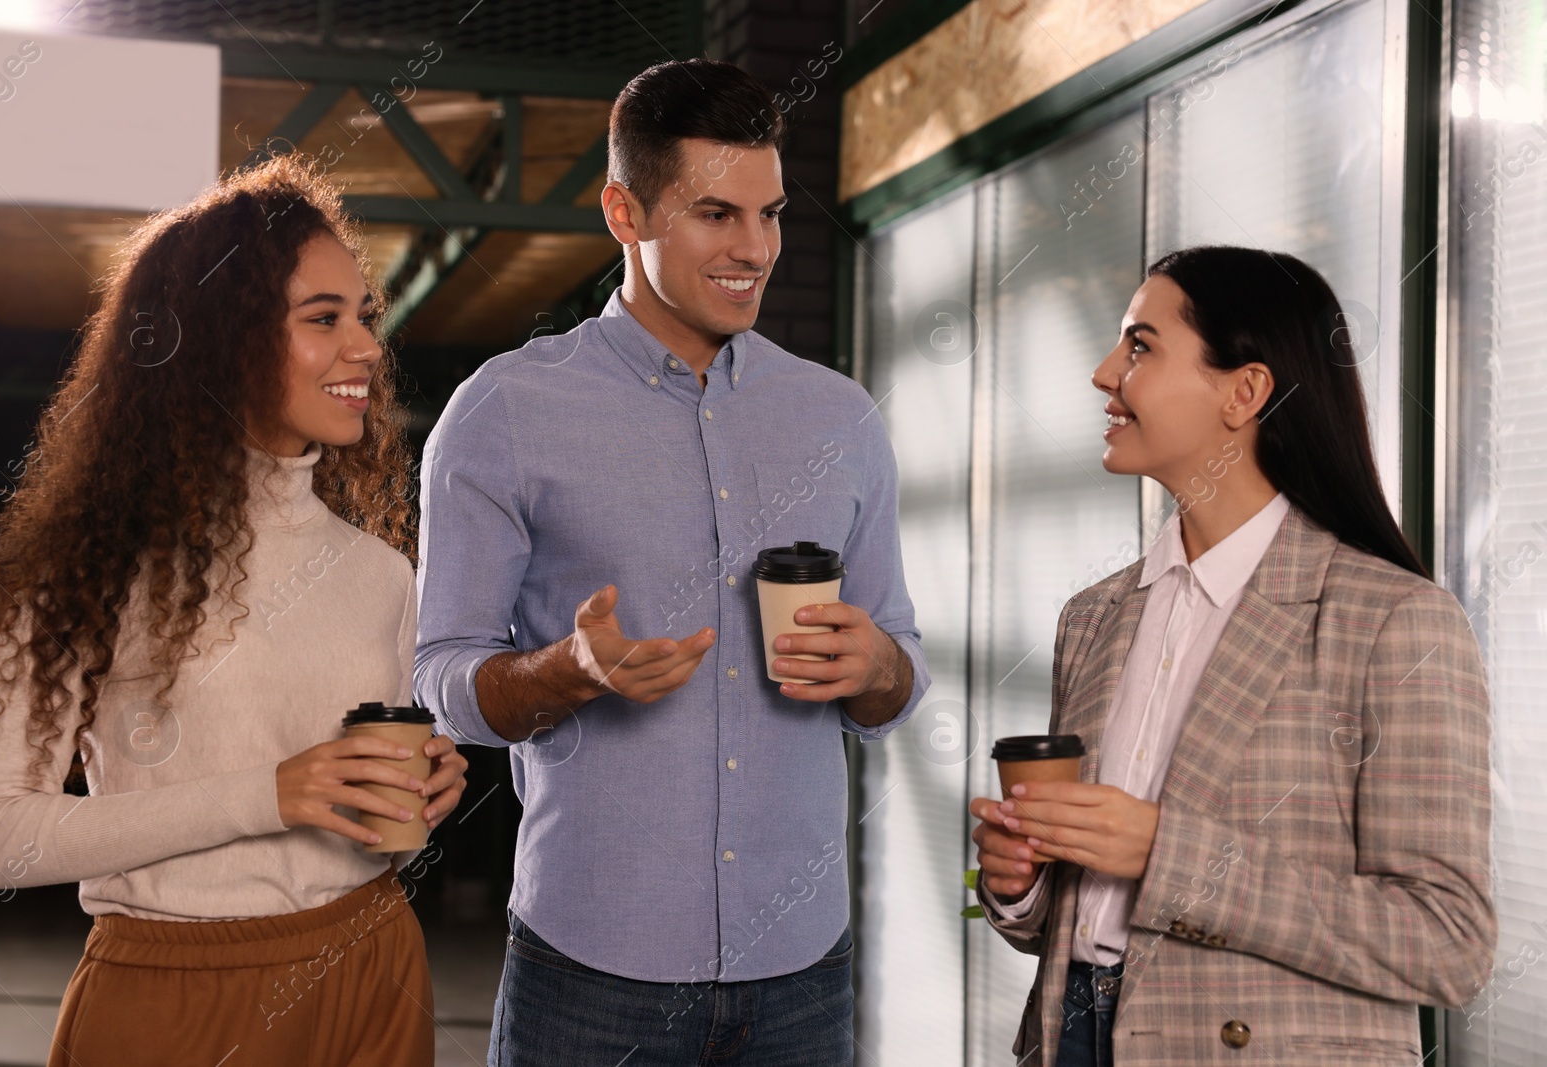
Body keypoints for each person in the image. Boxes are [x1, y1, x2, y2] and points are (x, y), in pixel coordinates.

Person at [415, 58, 929, 1065]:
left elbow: (896, 674)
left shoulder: (840, 416)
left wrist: (876, 668)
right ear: (623, 211)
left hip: (801, 968)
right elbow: (440, 678)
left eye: (771, 213)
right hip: (589, 967)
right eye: (715, 214)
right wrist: (564, 673)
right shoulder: (504, 409)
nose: (755, 248)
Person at [0, 155, 468, 1066]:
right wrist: (269, 794)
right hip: (170, 996)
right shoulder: (92, 569)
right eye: (323, 319)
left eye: (364, 318)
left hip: (376, 964)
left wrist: (422, 789)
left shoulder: (384, 573)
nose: (366, 349)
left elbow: (370, 830)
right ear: (222, 336)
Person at [969, 246, 1495, 1066]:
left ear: (1245, 391)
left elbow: (1446, 942)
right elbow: (1072, 913)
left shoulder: (1394, 622)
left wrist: (1165, 854)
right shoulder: (1095, 616)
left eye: (1140, 345)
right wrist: (1020, 883)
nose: (1106, 373)